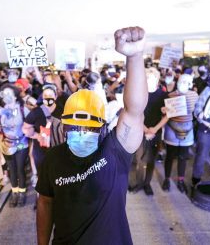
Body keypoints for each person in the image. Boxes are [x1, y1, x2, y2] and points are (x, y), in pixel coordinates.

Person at [36, 26, 148, 245]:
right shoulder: (54, 158)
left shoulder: (115, 150)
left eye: (89, 127)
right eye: (74, 128)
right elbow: (45, 203)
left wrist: (134, 57)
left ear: (102, 128)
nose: (81, 133)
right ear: (64, 127)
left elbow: (134, 111)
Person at [128, 67, 168, 195]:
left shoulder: (163, 95)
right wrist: (146, 130)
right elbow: (136, 113)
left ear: (157, 79)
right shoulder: (139, 94)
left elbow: (168, 115)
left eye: (153, 77)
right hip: (140, 130)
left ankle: (147, 183)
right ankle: (139, 182)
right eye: (148, 77)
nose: (150, 80)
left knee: (151, 159)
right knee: (139, 159)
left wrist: (154, 130)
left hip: (156, 131)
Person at [0, 84, 29, 207]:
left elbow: (31, 124)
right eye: (4, 93)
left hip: (21, 143)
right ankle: (15, 193)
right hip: (6, 144)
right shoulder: (0, 110)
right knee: (11, 169)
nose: (6, 96)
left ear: (15, 95)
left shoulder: (23, 108)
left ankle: (22, 193)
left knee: (20, 168)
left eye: (9, 93)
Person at [162, 74, 198, 193]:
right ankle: (167, 179)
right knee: (170, 156)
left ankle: (181, 180)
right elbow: (164, 113)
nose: (185, 84)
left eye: (188, 82)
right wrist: (163, 110)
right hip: (172, 128)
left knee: (183, 157)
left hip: (187, 130)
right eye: (182, 81)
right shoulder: (170, 95)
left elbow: (196, 111)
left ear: (191, 83)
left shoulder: (194, 95)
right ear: (178, 82)